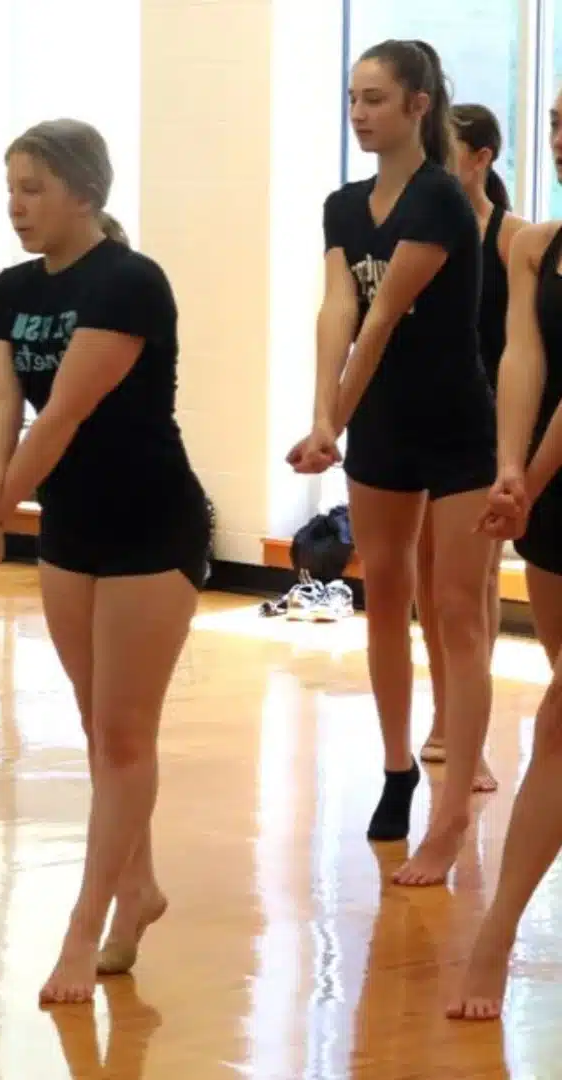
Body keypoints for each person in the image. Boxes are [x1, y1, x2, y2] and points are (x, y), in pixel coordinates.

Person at [0, 118, 207, 1006]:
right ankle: (137, 887)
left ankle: (85, 924)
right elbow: (0, 407)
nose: (16, 204)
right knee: (100, 732)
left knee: (126, 731)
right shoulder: (12, 289)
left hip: (152, 527)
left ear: (85, 196)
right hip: (71, 530)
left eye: (33, 188)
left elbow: (60, 416)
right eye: (10, 185)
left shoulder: (130, 282)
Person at [287, 39, 497, 887]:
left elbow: (382, 323)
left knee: (457, 609)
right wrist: (320, 417)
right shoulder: (343, 206)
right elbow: (339, 307)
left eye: (376, 97)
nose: (360, 111)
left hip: (456, 430)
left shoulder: (441, 200)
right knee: (384, 601)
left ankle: (452, 810)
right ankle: (397, 766)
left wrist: (330, 420)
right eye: (353, 97)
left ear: (419, 105)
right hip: (382, 431)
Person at [452, 86, 562, 1021]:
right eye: (558, 126)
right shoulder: (536, 246)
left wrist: (527, 474)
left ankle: (493, 942)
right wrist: (507, 468)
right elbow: (522, 359)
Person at [415, 102, 524, 790]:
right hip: (434, 414)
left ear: (480, 157)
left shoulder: (514, 238)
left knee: (476, 581)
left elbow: (524, 344)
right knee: (430, 575)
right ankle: (442, 714)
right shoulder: (426, 230)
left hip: (492, 422)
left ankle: (471, 739)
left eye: (447, 148)